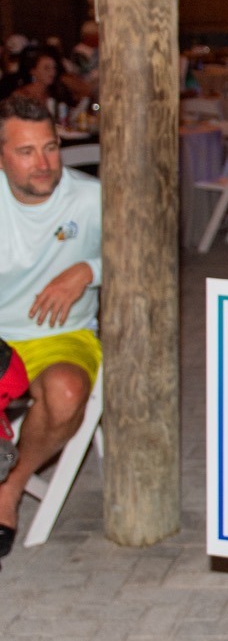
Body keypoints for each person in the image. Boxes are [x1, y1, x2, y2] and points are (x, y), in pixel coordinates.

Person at [0, 95, 102, 558]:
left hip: (61, 335)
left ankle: (10, 487)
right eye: (26, 152)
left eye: (50, 148)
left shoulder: (89, 197)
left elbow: (150, 256)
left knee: (65, 392)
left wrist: (88, 270)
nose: (43, 164)